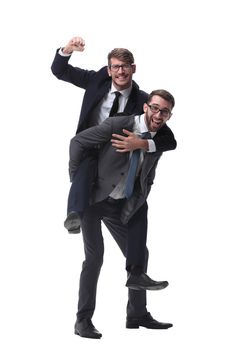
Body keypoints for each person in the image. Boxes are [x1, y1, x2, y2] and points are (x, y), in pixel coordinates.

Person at [51, 37, 176, 338]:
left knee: (138, 254)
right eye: (115, 67)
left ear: (133, 69)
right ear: (108, 70)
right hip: (92, 159)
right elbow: (60, 71)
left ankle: (137, 314)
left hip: (119, 176)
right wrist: (66, 51)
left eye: (125, 67)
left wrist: (140, 142)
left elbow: (168, 139)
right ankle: (83, 320)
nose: (120, 72)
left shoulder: (143, 102)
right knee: (94, 258)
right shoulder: (97, 80)